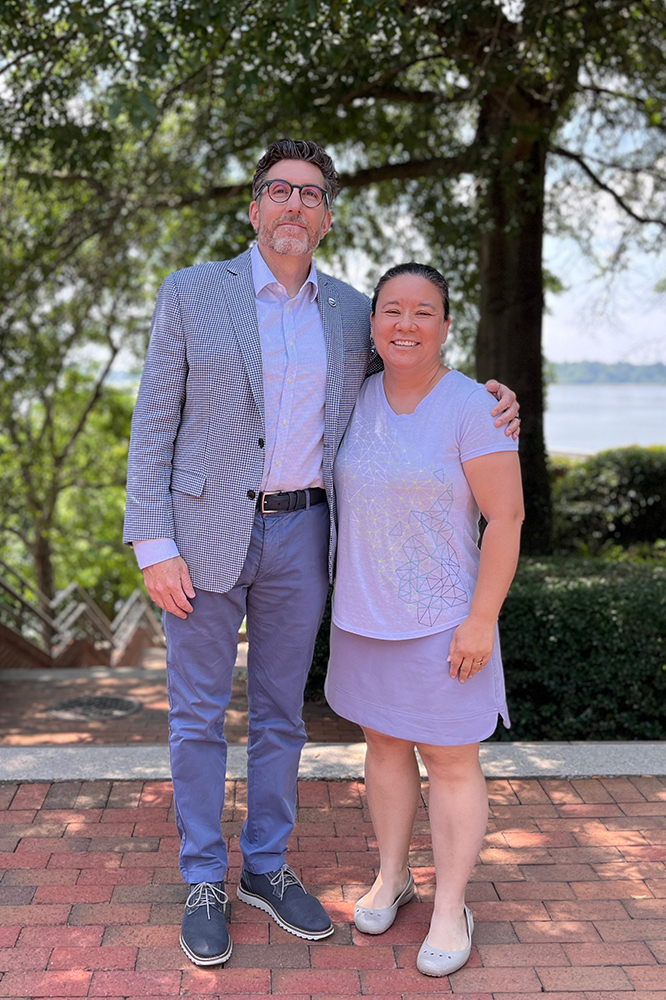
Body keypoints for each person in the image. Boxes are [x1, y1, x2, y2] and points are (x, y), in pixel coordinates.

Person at [124, 139, 521, 968]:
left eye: (311, 194)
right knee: (198, 717)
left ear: (329, 217)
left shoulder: (350, 311)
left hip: (306, 536)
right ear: (255, 207)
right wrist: (152, 542)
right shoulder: (193, 293)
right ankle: (204, 877)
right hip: (197, 541)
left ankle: (265, 867)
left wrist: (495, 399)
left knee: (280, 716)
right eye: (279, 190)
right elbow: (153, 423)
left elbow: (419, 370)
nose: (294, 206)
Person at [325, 262, 524, 977]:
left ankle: (450, 907)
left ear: (445, 325)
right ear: (372, 322)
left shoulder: (475, 406)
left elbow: (506, 518)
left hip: (446, 622)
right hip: (362, 617)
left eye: (423, 312)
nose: (405, 324)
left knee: (450, 761)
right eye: (391, 310)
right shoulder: (351, 396)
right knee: (381, 750)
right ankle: (392, 877)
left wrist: (481, 620)